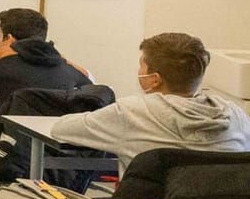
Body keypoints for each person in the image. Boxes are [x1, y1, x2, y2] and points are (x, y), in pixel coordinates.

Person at [52, 32, 250, 165]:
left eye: (142, 65)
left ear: (154, 79)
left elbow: (61, 129)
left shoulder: (131, 112)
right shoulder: (235, 115)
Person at [0, 7, 92, 111]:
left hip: (10, 147)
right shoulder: (64, 65)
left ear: (9, 39)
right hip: (53, 146)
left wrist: (0, 52)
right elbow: (91, 79)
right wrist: (62, 59)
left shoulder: (1, 60)